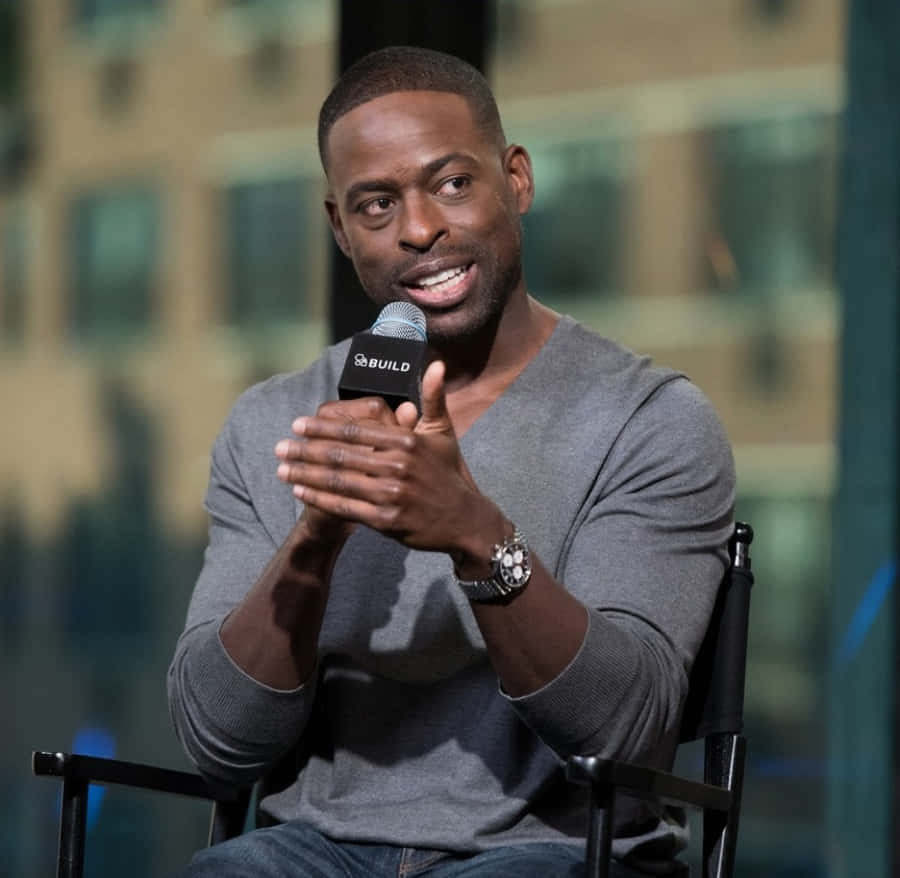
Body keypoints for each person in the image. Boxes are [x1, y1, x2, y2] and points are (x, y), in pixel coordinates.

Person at [167, 46, 735, 878]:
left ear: (518, 180)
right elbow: (220, 743)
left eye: (453, 183)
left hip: (553, 854)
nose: (419, 228)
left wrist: (473, 533)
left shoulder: (648, 420)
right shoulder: (274, 425)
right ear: (339, 227)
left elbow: (627, 727)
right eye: (376, 204)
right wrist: (316, 535)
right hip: (319, 850)